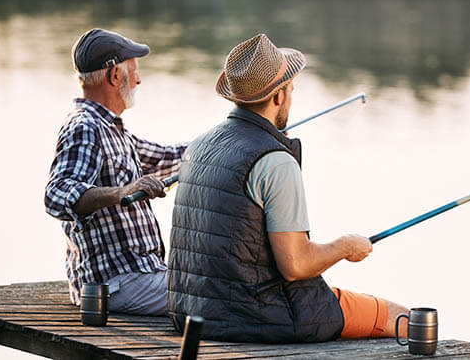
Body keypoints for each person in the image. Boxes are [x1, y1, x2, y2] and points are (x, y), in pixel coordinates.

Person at [167, 33, 408, 342]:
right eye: (291, 88)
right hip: (260, 316)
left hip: (194, 313)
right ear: (278, 97)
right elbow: (296, 265)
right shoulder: (275, 162)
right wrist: (346, 247)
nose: (292, 95)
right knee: (404, 319)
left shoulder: (199, 146)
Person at [45, 28, 187, 315]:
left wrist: (230, 140)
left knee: (216, 288)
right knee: (219, 295)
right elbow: (56, 194)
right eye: (134, 71)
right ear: (114, 76)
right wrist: (121, 193)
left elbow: (170, 157)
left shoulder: (112, 130)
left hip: (138, 278)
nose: (138, 79)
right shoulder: (85, 128)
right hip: (117, 284)